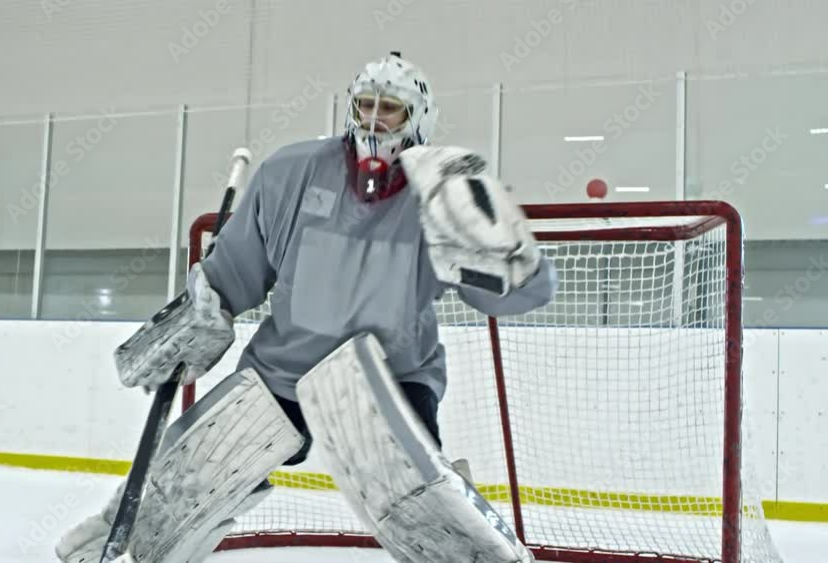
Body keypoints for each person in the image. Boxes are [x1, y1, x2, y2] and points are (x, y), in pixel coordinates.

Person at [57, 51, 556, 563]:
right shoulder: (291, 172)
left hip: (394, 376)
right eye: (365, 105)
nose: (373, 119)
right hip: (285, 367)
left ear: (418, 118)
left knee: (422, 507)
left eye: (391, 110)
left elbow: (509, 295)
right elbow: (240, 266)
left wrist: (506, 259)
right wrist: (201, 312)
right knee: (193, 476)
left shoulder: (445, 192)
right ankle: (124, 533)